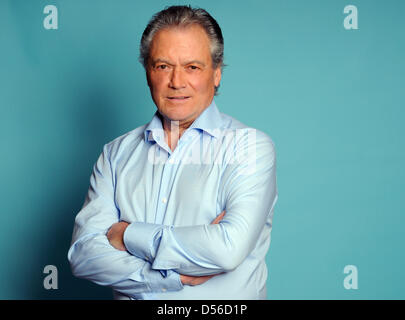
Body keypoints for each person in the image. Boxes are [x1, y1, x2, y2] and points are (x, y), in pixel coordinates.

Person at [68, 5, 278, 300]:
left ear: (216, 73)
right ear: (147, 73)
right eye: (163, 66)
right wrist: (171, 277)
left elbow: (227, 250)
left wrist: (126, 235)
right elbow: (83, 255)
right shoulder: (116, 154)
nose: (177, 82)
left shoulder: (250, 148)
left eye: (192, 67)